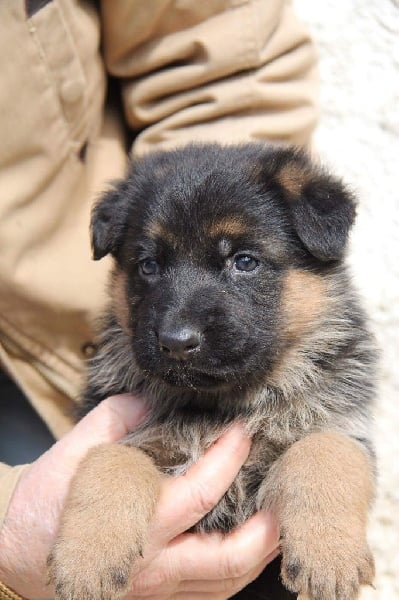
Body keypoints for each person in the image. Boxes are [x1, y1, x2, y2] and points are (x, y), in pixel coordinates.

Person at [0, 1, 318, 598]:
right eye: (149, 266)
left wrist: (203, 190)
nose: (178, 329)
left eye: (243, 262)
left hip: (57, 335)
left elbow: (217, 55)